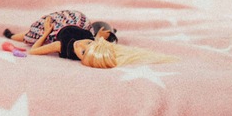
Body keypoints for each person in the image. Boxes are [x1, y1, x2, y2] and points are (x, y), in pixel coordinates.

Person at [26, 24, 177, 69]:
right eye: (88, 44)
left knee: (26, 36)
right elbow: (92, 40)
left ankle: (10, 35)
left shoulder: (61, 45)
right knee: (102, 30)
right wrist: (97, 39)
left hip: (58, 29)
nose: (80, 44)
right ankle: (110, 30)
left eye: (83, 52)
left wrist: (46, 31)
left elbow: (34, 50)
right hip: (82, 25)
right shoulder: (89, 40)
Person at [2, 9, 116, 49]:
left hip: (58, 27)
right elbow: (35, 49)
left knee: (32, 35)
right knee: (31, 35)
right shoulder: (83, 34)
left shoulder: (83, 31)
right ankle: (11, 35)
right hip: (56, 27)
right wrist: (46, 32)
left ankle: (11, 35)